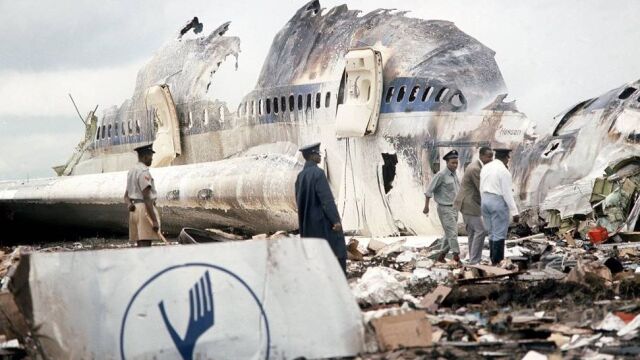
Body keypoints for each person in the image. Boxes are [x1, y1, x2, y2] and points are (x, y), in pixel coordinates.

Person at [295, 142, 347, 272]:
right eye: (318, 154)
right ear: (312, 156)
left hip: (307, 225)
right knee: (338, 251)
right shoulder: (318, 173)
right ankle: (340, 283)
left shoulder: (300, 176)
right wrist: (335, 220)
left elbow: (298, 200)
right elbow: (327, 200)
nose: (320, 156)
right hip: (322, 223)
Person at [454, 147, 494, 264]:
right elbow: (482, 188)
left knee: (472, 232)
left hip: (468, 203)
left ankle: (473, 259)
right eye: (488, 157)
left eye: (492, 157)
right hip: (469, 203)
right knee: (481, 231)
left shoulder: (478, 167)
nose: (490, 159)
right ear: (481, 156)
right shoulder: (475, 169)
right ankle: (475, 260)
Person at [480, 148, 519, 265]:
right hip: (497, 202)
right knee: (499, 233)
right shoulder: (503, 171)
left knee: (491, 232)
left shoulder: (485, 167)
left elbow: (481, 186)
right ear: (506, 158)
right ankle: (497, 261)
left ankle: (493, 260)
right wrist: (515, 212)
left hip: (485, 200)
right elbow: (507, 193)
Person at [424, 150, 461, 263]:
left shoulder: (454, 175)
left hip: (454, 208)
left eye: (456, 163)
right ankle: (456, 257)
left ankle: (441, 255)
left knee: (448, 234)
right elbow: (429, 191)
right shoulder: (441, 175)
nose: (455, 165)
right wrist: (426, 207)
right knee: (453, 233)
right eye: (452, 163)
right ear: (447, 162)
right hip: (445, 208)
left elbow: (457, 192)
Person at [124, 144, 161, 247]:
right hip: (144, 210)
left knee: (140, 244)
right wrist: (154, 220)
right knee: (145, 244)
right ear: (145, 157)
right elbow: (147, 198)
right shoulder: (143, 172)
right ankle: (147, 263)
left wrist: (129, 204)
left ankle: (141, 263)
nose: (152, 159)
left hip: (134, 211)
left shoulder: (132, 171)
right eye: (151, 157)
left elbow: (126, 196)